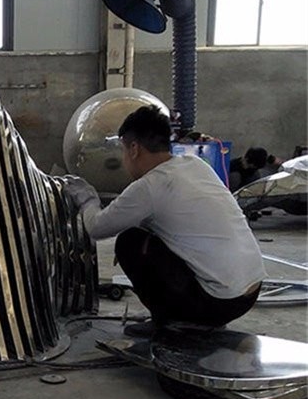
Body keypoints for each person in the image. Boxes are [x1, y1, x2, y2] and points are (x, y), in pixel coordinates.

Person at [64, 106, 265, 336]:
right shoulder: (196, 165)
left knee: (130, 242)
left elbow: (96, 228)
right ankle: (194, 315)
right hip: (250, 292)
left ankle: (172, 321)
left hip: (219, 301)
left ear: (134, 149)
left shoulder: (149, 186)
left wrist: (87, 199)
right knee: (148, 237)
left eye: (123, 150)